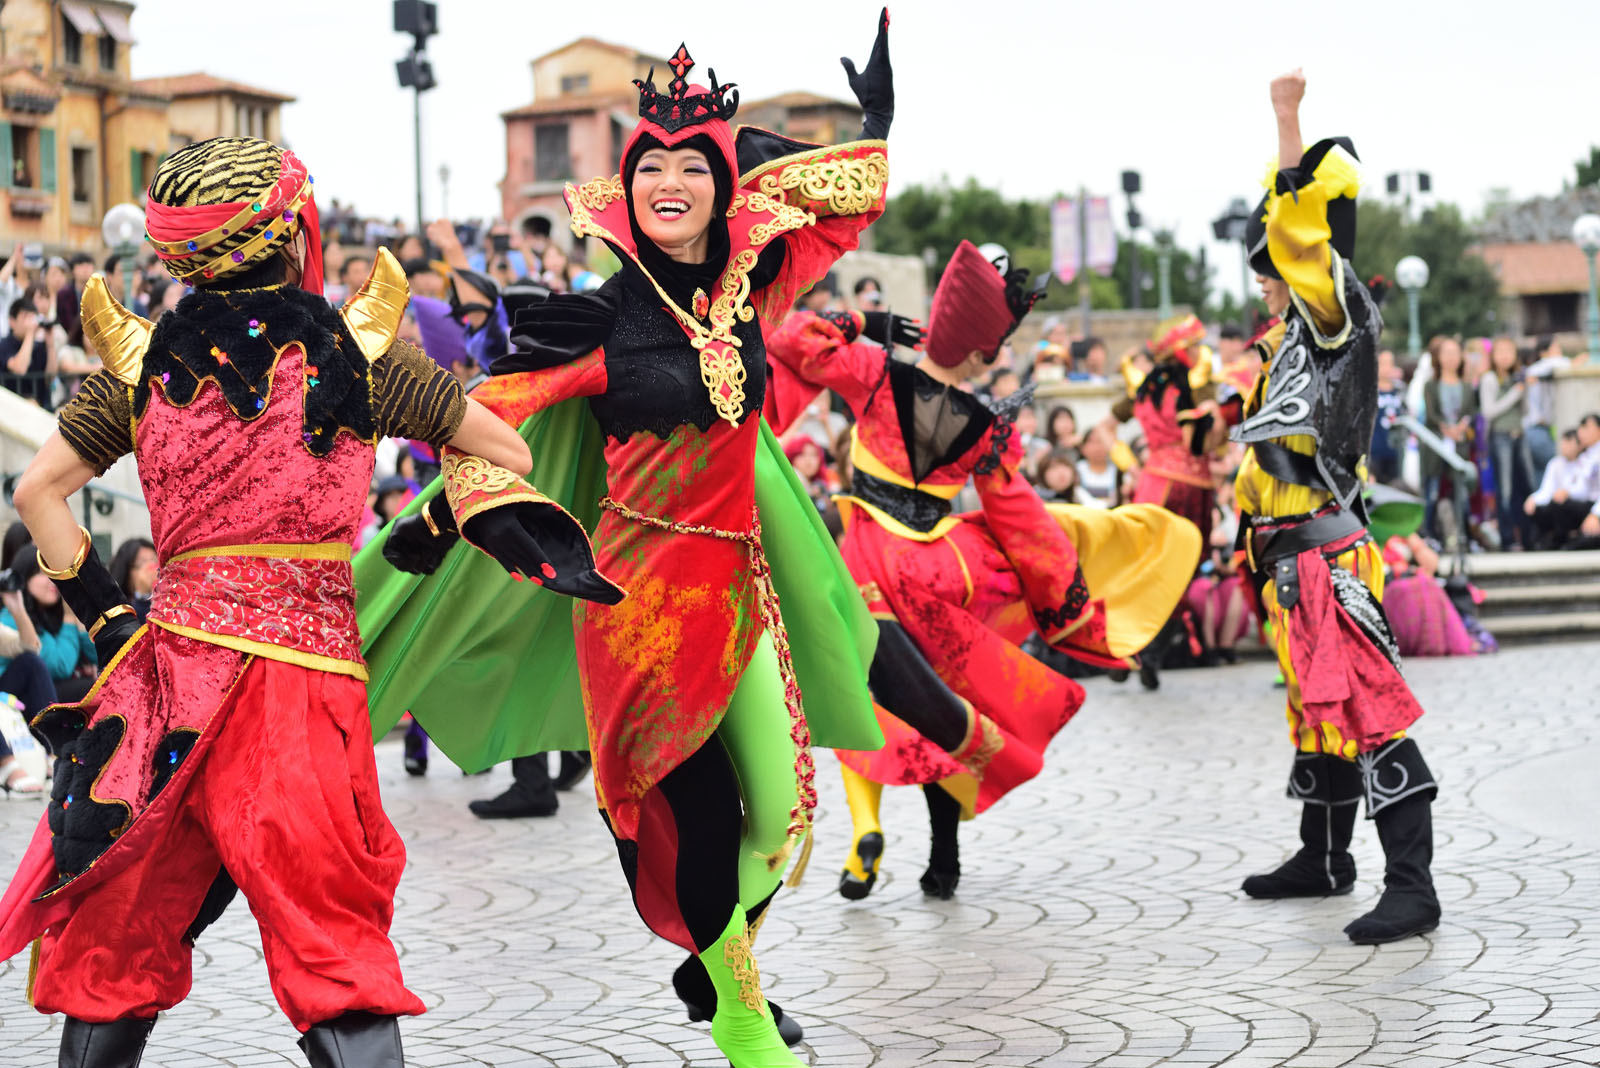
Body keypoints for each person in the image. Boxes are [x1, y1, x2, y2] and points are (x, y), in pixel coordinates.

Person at [357, 20, 895, 1066]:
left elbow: (841, 215)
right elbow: (493, 410)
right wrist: (453, 503)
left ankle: (711, 965)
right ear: (629, 186)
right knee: (691, 811)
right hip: (636, 606)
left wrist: (872, 125)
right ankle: (741, 1013)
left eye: (695, 165)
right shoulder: (596, 322)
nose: (673, 180)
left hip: (739, 592)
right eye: (653, 165)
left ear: (722, 185)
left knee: (779, 816)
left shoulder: (749, 290)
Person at [0, 135, 589, 1067]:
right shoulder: (358, 353)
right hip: (303, 689)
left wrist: (113, 619)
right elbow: (507, 454)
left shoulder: (140, 362)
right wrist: (427, 535)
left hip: (168, 686)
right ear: (289, 231)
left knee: (120, 939)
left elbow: (37, 494)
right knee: (333, 949)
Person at [765, 239, 1198, 904]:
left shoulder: (876, 372)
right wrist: (1071, 607)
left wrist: (864, 322)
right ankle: (944, 859)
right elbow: (1022, 519)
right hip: (940, 571)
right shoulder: (985, 424)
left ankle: (865, 831)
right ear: (981, 353)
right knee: (943, 702)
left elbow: (793, 337)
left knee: (867, 696)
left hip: (868, 558)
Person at [1231, 70, 1440, 945]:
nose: (1267, 283)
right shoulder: (1287, 336)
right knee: (1316, 713)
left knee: (1367, 706)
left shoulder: (1334, 312)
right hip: (1289, 558)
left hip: (1326, 555)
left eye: (1274, 270)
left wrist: (1288, 123)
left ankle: (1414, 885)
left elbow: (1303, 235)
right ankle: (1323, 858)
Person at [0, 545, 96, 702]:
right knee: (87, 690)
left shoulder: (50, 614)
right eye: (41, 572)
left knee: (98, 687)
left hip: (44, 695)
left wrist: (79, 620)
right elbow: (59, 666)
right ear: (23, 578)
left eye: (53, 571)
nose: (52, 579)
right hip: (13, 702)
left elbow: (98, 657)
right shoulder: (10, 618)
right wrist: (69, 618)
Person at [1421, 335, 1477, 549]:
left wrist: (1462, 427)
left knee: (1461, 492)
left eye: (1455, 353)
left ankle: (1465, 537)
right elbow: (1431, 414)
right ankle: (1430, 535)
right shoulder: (1431, 385)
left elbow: (1471, 412)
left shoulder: (1466, 387)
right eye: (1447, 353)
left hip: (1459, 445)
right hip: (1437, 445)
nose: (1452, 358)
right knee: (1432, 491)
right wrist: (1447, 428)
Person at [1481, 337, 1534, 549]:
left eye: (1509, 351)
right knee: (1505, 490)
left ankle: (1529, 537)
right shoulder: (1490, 379)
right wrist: (1515, 393)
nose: (1505, 356)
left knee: (1526, 486)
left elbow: (1526, 411)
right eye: (1500, 351)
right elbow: (1489, 412)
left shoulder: (1516, 378)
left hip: (1519, 434)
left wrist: (1524, 391)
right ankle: (1507, 538)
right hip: (1500, 436)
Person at [1524, 429, 1592, 548]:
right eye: (1563, 443)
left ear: (1579, 445)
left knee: (1560, 504)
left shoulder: (1586, 462)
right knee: (1536, 507)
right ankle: (1543, 540)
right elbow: (1547, 489)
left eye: (1568, 443)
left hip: (1578, 505)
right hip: (1556, 502)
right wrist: (1533, 498)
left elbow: (1585, 490)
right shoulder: (1555, 463)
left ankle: (1563, 539)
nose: (1564, 447)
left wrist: (1568, 493)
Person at [0, 295, 56, 407]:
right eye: (26, 317)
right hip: (13, 407)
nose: (31, 322)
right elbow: (20, 369)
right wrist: (30, 334)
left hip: (40, 405)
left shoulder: (39, 346)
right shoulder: (4, 345)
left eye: (33, 317)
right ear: (12, 321)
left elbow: (50, 376)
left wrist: (50, 345)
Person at [1369, 349, 1405, 485]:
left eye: (1390, 363)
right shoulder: (1369, 392)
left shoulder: (1400, 391)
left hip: (1394, 452)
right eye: (1383, 363)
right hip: (1374, 451)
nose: (1387, 368)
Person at [107, 536, 157, 622]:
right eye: (141, 563)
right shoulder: (115, 608)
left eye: (155, 561)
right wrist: (142, 596)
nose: (152, 569)